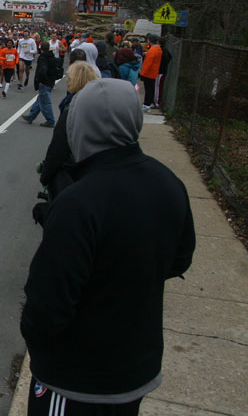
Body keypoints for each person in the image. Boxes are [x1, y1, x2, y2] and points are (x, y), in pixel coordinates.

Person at [21, 78, 195, 415]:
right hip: (137, 367)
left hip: (77, 379)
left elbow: (45, 309)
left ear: (79, 125)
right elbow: (180, 259)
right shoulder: (168, 182)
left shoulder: (78, 201)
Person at [39, 61, 99, 201]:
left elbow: (59, 145)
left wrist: (46, 174)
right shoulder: (99, 103)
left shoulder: (72, 107)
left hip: (76, 167)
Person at [21, 43, 60, 128]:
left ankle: (50, 120)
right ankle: (31, 116)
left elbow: (42, 70)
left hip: (45, 82)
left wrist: (41, 80)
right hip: (51, 81)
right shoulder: (52, 57)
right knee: (40, 100)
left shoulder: (43, 58)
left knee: (45, 102)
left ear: (41, 48)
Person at [139, 34, 162, 112]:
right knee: (151, 89)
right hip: (154, 73)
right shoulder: (159, 49)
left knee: (148, 89)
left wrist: (142, 73)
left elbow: (148, 63)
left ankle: (146, 105)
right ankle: (148, 103)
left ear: (150, 40)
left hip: (148, 73)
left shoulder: (152, 50)